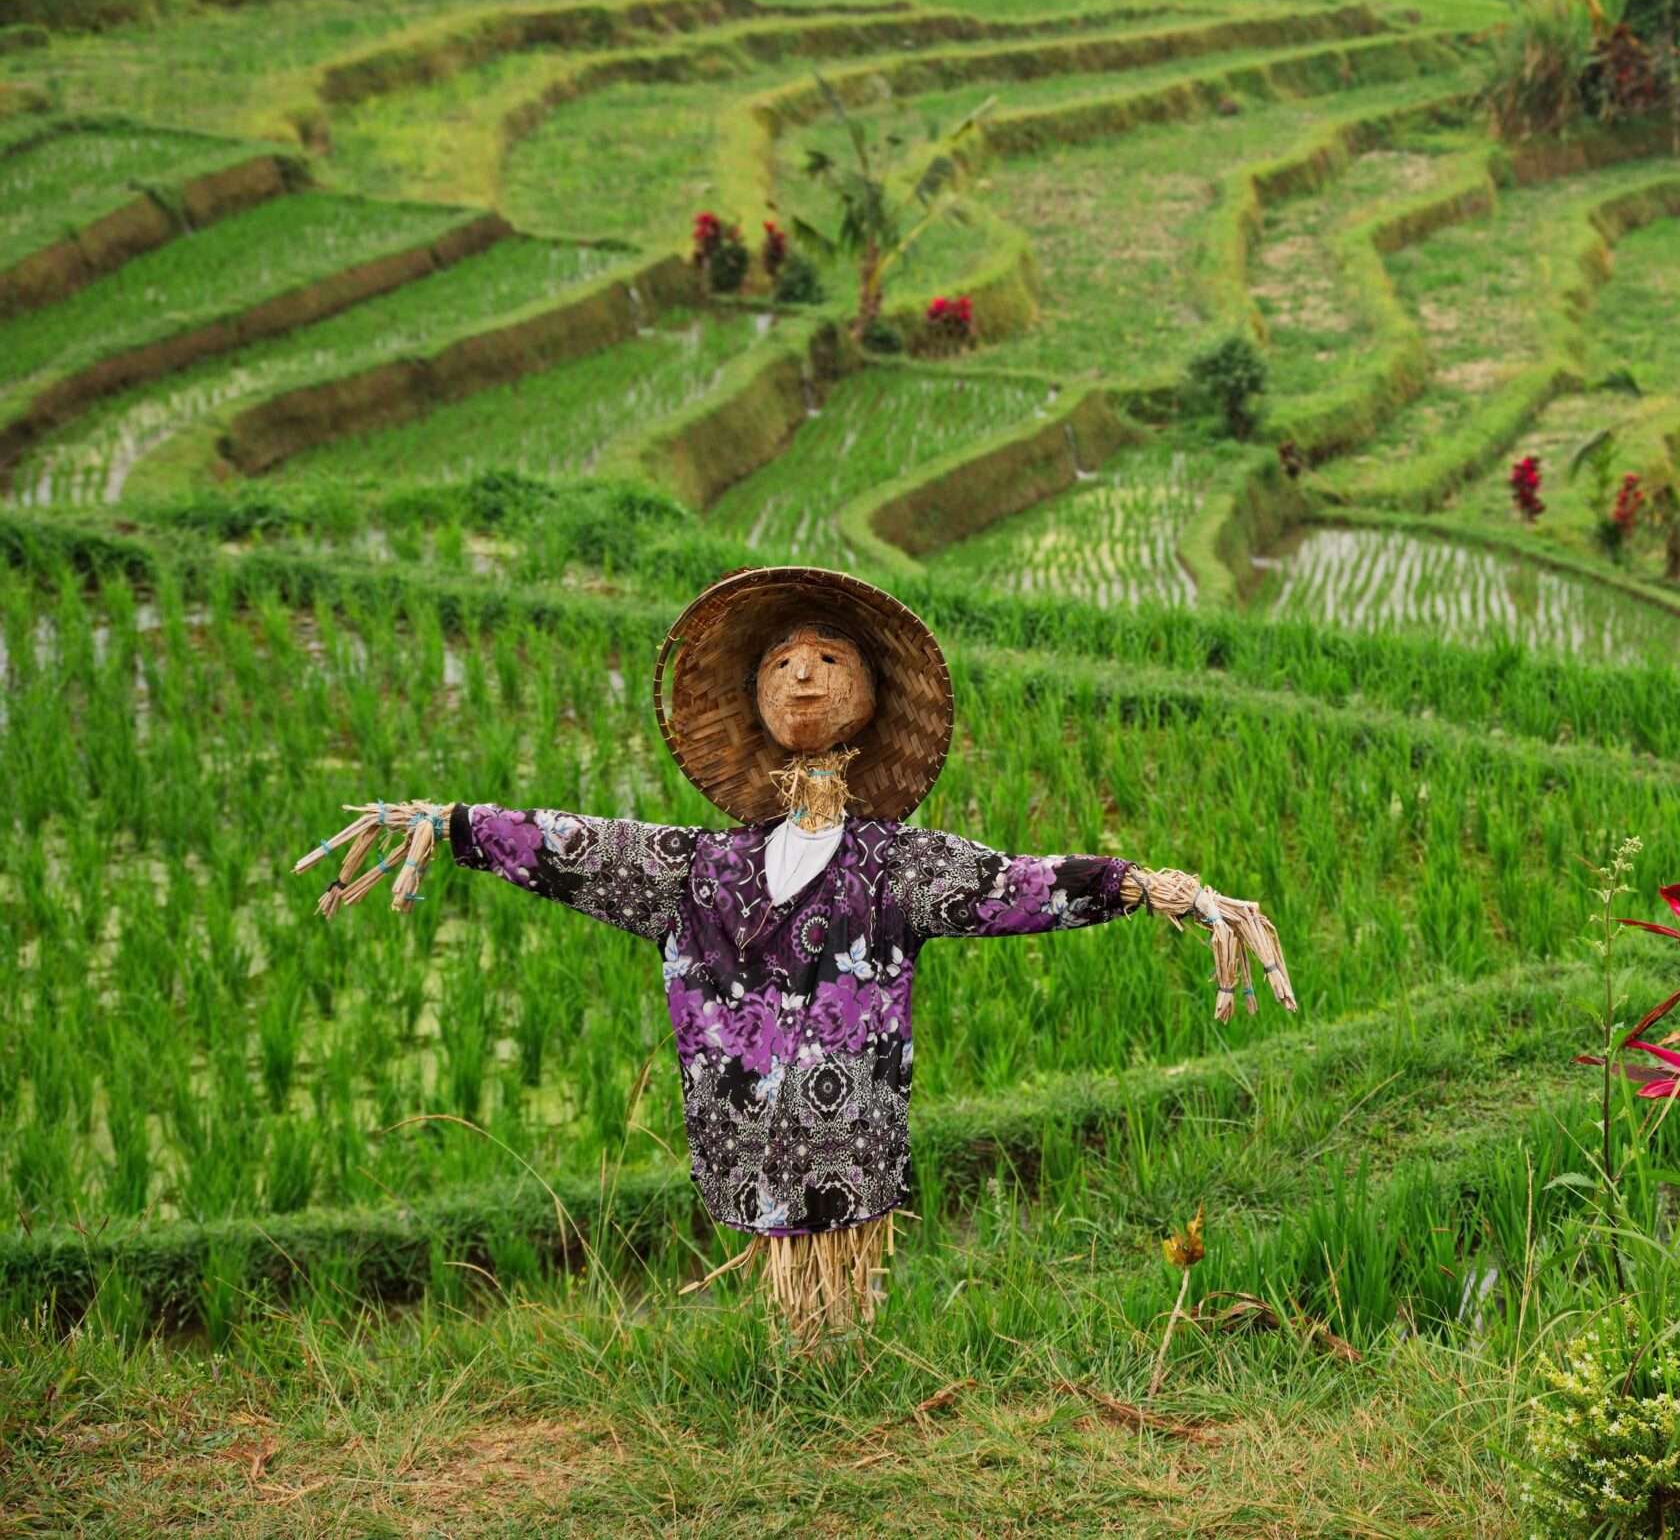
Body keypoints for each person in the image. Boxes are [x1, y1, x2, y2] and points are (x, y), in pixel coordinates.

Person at [296, 565, 1293, 1336]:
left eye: (826, 656)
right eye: (780, 661)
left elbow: (1013, 882)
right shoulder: (697, 868)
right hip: (746, 1133)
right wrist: (453, 823)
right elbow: (579, 846)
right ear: (754, 702)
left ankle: (831, 1363)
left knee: (841, 1292)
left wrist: (1146, 885)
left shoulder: (898, 863)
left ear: (870, 691)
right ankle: (803, 1367)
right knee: (792, 1304)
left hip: (847, 1140)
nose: (804, 672)